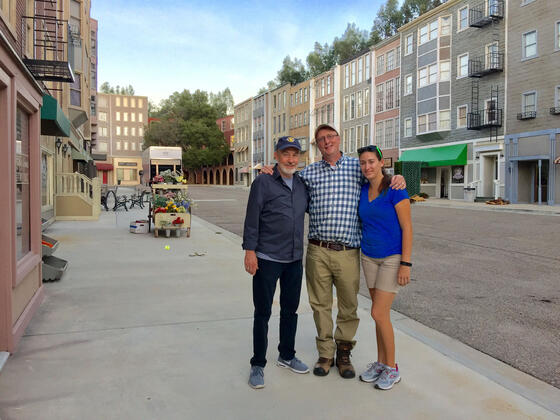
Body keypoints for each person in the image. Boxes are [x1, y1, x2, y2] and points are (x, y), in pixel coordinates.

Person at [262, 124, 406, 379]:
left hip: (348, 250)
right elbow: (286, 177)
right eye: (321, 139)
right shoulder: (309, 173)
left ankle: (344, 352)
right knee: (320, 305)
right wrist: (270, 171)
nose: (326, 141)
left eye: (330, 137)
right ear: (318, 146)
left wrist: (398, 177)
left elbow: (378, 176)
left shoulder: (357, 167)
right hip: (318, 250)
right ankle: (326, 353)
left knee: (349, 305)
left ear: (339, 139)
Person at [243, 136, 310, 389]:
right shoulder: (263, 182)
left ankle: (286, 355)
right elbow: (252, 219)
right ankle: (258, 363)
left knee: (290, 310)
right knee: (262, 313)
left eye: (295, 154)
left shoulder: (303, 184)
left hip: (294, 259)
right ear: (276, 155)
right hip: (267, 258)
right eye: (286, 154)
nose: (291, 159)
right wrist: (250, 251)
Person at [356, 145, 412, 390]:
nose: (367, 166)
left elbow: (407, 228)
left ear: (381, 162)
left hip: (391, 258)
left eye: (371, 161)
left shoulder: (395, 189)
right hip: (369, 257)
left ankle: (392, 368)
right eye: (363, 163)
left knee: (378, 313)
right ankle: (380, 363)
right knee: (381, 316)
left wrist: (405, 264)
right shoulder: (362, 189)